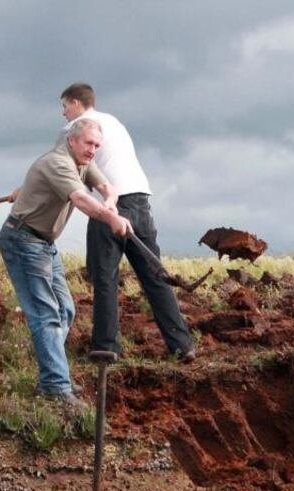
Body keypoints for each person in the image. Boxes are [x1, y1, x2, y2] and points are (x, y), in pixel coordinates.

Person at [0, 117, 133, 409]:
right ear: (71, 141)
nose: (93, 149)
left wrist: (111, 202)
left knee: (65, 310)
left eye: (97, 145)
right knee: (46, 314)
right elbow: (82, 200)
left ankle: (53, 375)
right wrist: (111, 218)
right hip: (23, 240)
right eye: (88, 143)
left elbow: (107, 188)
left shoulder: (84, 161)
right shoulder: (58, 163)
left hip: (45, 243)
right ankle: (56, 386)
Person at [60, 83, 196, 362]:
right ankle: (182, 345)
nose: (63, 114)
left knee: (105, 278)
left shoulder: (78, 129)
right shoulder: (114, 123)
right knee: (154, 276)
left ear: (75, 103)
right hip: (141, 201)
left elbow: (58, 167)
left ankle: (106, 348)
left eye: (64, 106)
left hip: (112, 206)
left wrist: (24, 190)